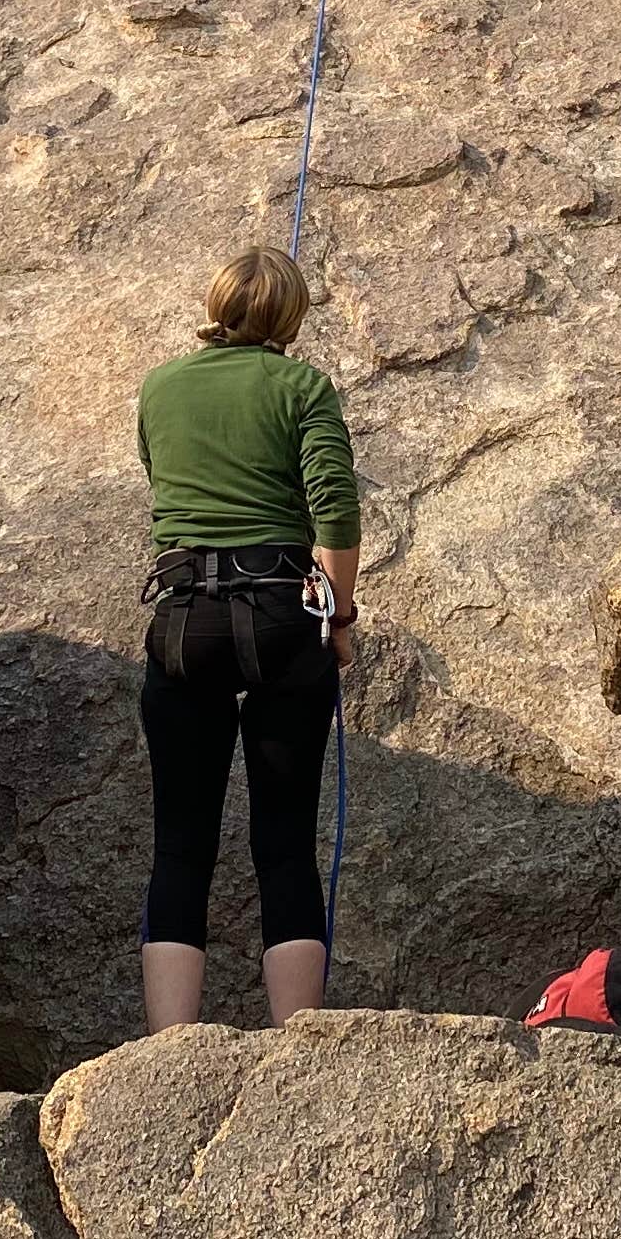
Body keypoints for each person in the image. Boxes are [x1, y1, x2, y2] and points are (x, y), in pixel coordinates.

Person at [132, 245, 361, 1032]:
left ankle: (169, 1050)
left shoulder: (160, 387)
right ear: (290, 320)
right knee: (286, 843)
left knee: (180, 844)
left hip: (185, 617)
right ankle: (296, 1044)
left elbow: (163, 482)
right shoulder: (303, 387)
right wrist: (339, 620)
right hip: (280, 615)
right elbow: (333, 508)